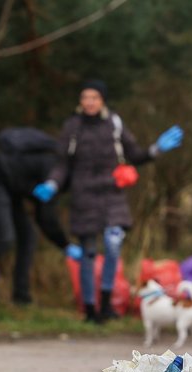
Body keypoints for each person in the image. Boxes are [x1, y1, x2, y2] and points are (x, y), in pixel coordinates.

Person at [34, 79, 183, 323]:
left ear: (102, 100)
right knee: (88, 253)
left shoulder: (114, 124)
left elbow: (135, 154)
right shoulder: (72, 127)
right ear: (80, 101)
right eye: (85, 97)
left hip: (112, 194)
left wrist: (156, 149)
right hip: (83, 196)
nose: (89, 102)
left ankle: (107, 305)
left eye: (94, 97)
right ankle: (90, 309)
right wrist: (52, 184)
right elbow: (62, 164)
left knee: (113, 245)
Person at [0, 127, 81, 305]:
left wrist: (64, 245)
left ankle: (21, 297)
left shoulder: (59, 169)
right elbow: (47, 217)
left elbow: (42, 214)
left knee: (28, 236)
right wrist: (65, 245)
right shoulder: (54, 171)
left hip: (11, 187)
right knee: (5, 238)